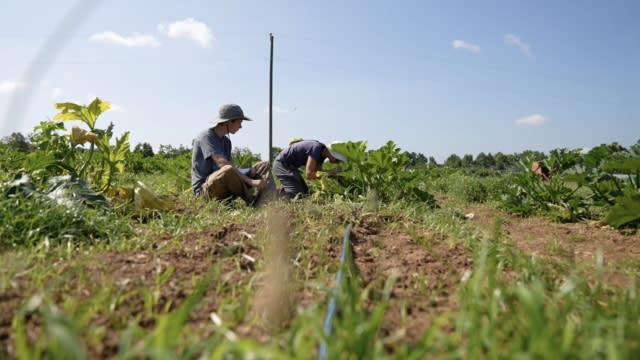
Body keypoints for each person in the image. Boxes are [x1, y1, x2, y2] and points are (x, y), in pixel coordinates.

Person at [191, 103, 275, 206]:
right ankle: (252, 202)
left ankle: (269, 199)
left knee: (263, 165)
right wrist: (250, 181)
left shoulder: (226, 142)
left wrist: (248, 171)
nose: (241, 126)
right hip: (205, 190)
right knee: (227, 169)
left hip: (224, 184)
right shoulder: (206, 137)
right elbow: (223, 165)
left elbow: (229, 170)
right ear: (229, 122)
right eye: (239, 122)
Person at [273, 139, 345, 199]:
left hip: (291, 167)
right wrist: (330, 172)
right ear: (332, 152)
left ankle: (282, 191)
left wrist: (335, 176)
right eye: (338, 159)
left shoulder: (322, 154)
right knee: (296, 194)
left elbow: (318, 173)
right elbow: (309, 175)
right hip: (282, 164)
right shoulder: (316, 148)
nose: (338, 161)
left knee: (305, 192)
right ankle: (270, 194)